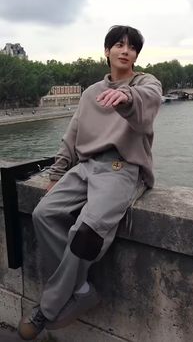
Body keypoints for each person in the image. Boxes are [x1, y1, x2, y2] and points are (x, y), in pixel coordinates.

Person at [18, 25, 162, 340]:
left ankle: (47, 308)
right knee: (44, 214)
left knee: (87, 232)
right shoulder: (90, 93)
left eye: (132, 47)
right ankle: (81, 287)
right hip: (85, 167)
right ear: (107, 51)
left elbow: (146, 101)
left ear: (137, 54)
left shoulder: (145, 83)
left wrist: (124, 96)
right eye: (119, 45)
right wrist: (57, 173)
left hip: (121, 167)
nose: (126, 51)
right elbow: (72, 135)